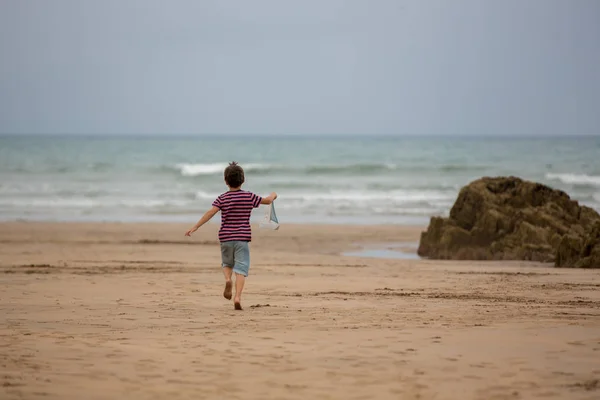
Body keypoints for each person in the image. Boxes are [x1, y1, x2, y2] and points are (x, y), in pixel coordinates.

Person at [185, 162, 277, 310]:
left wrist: (195, 227)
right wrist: (273, 195)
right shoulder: (249, 197)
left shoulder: (222, 198)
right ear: (243, 180)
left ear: (226, 181)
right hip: (242, 238)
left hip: (226, 238)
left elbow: (210, 213)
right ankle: (238, 297)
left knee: (227, 264)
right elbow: (267, 201)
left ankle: (227, 279)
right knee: (241, 268)